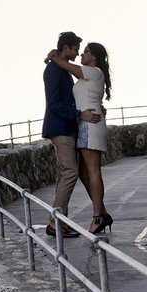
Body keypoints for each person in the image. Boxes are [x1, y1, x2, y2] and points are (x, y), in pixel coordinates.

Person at [52, 42, 115, 234]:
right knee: (82, 172)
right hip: (86, 124)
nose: (81, 55)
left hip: (90, 125)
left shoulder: (93, 71)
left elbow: (69, 67)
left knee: (93, 171)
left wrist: (55, 57)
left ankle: (98, 216)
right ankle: (102, 212)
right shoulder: (89, 74)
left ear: (94, 56)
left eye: (85, 52)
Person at [41, 32, 84, 238]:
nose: (77, 53)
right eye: (75, 49)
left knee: (63, 174)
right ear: (66, 47)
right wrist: (75, 115)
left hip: (65, 127)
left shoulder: (60, 67)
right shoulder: (53, 70)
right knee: (70, 173)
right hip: (60, 127)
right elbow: (54, 102)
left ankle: (60, 222)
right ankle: (55, 222)